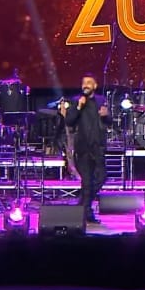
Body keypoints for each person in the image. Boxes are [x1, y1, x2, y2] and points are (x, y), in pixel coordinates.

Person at [62, 73, 109, 224]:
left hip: (98, 147)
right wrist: (78, 107)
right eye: (84, 83)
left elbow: (109, 121)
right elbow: (69, 121)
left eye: (89, 82)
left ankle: (82, 203)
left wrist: (106, 115)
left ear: (95, 86)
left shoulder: (101, 100)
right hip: (83, 148)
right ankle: (86, 213)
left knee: (102, 177)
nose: (85, 85)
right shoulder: (76, 100)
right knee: (87, 182)